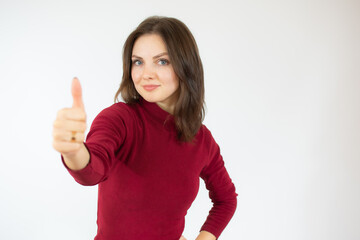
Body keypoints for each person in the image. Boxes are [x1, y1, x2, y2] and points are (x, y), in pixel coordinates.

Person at [53, 16, 237, 240]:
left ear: (185, 66)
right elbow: (93, 172)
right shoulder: (120, 119)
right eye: (138, 62)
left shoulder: (202, 139)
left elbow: (226, 199)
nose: (146, 73)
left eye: (162, 61)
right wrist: (73, 151)